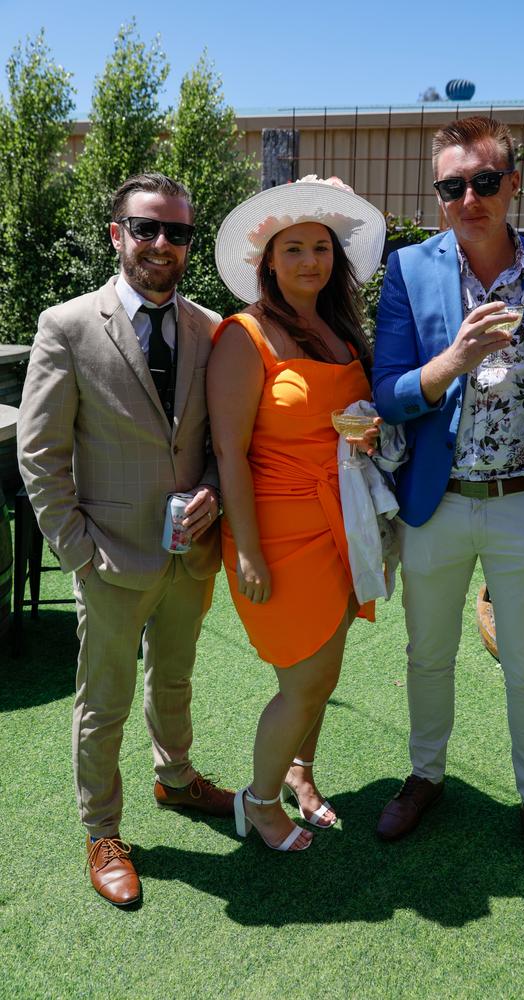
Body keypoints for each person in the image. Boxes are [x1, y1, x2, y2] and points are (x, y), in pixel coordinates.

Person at [372, 116, 524, 883]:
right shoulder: (408, 272)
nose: (468, 197)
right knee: (427, 656)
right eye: (451, 185)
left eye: (482, 181)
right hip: (437, 503)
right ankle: (426, 776)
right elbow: (390, 393)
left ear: (512, 184)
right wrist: (453, 360)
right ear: (438, 196)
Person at [18, 173, 234, 907]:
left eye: (178, 232)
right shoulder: (68, 326)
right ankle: (103, 830)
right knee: (102, 700)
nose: (163, 244)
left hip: (190, 551)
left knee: (174, 679)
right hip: (108, 556)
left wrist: (213, 491)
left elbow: (218, 440)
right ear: (117, 234)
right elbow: (40, 453)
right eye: (147, 228)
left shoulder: (210, 328)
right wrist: (76, 550)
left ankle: (175, 778)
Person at [210, 176, 385, 851]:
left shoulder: (339, 329)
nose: (310, 261)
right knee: (304, 678)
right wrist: (247, 549)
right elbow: (228, 452)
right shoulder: (243, 336)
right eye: (294, 249)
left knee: (326, 669)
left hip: (341, 519)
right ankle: (257, 802)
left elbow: (345, 417)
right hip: (276, 531)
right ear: (268, 261)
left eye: (321, 248)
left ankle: (299, 774)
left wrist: (364, 431)